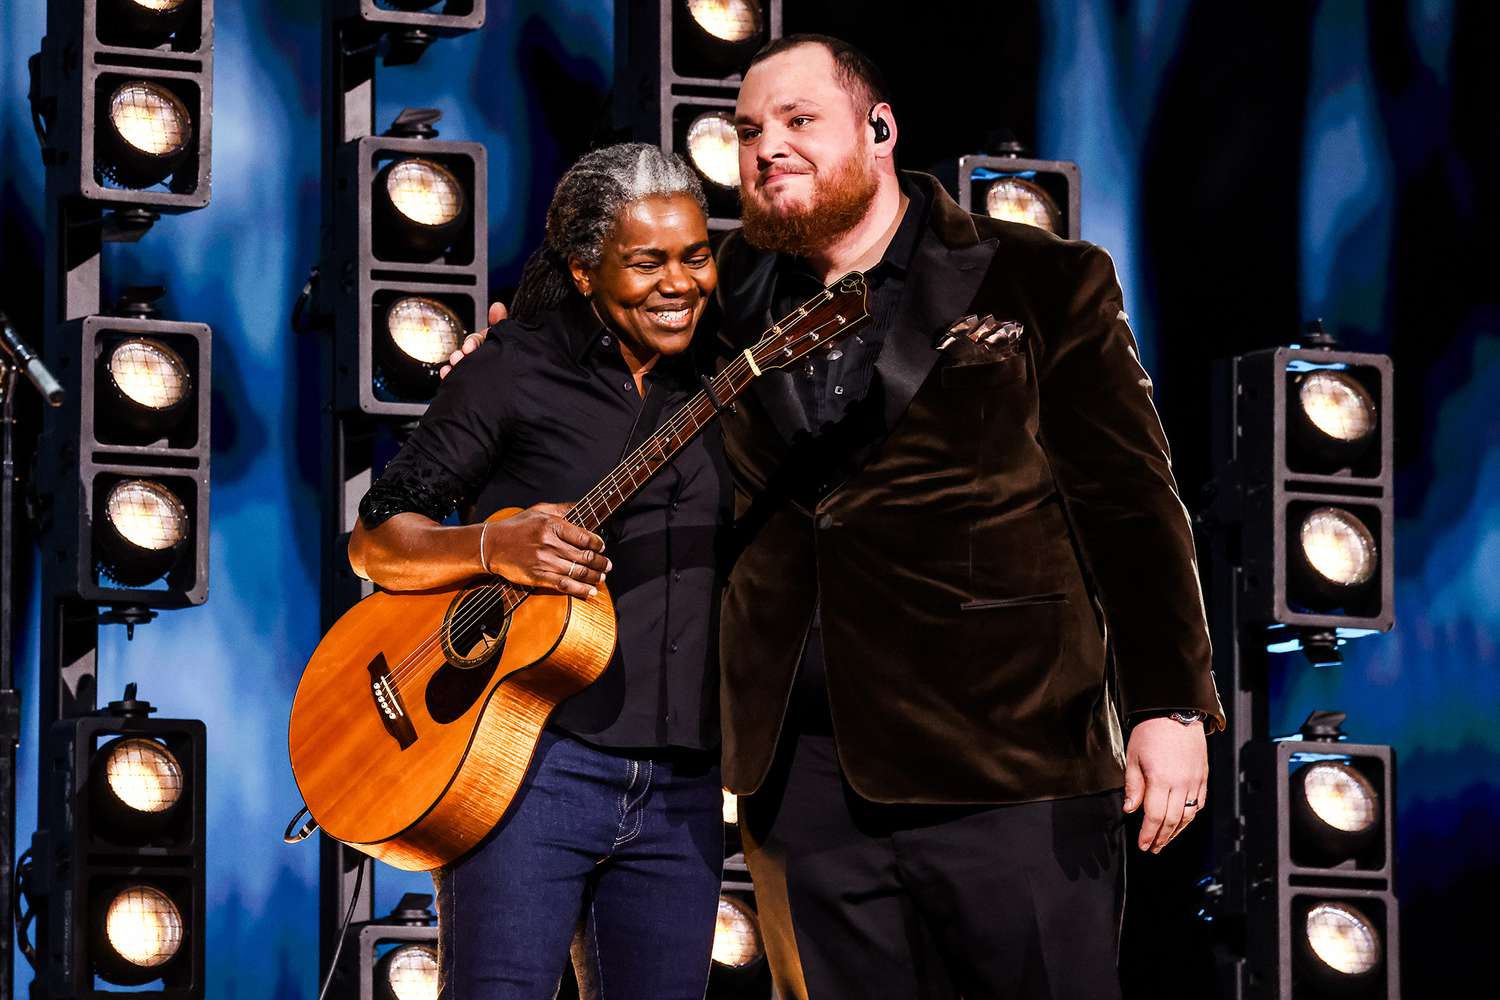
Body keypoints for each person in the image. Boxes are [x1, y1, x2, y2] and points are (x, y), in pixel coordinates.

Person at [450, 35, 1225, 1000]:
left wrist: (1170, 704)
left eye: (798, 120)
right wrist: (503, 359)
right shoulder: (718, 295)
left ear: (880, 129)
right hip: (803, 782)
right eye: (747, 131)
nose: (767, 146)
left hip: (1010, 763)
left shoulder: (1042, 278)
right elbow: (582, 327)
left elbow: (1132, 500)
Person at [349, 143, 730, 1000]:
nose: (681, 283)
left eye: (696, 256)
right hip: (530, 763)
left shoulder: (725, 372)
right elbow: (377, 537)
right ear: (586, 272)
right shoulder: (514, 368)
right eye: (648, 262)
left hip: (685, 785)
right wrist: (490, 544)